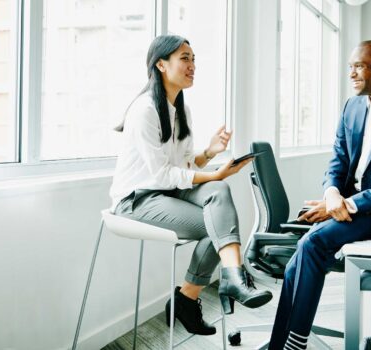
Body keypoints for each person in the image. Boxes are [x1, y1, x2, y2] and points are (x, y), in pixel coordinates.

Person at [109, 35, 273, 336]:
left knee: (219, 195)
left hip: (165, 192)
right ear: (161, 64)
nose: (192, 65)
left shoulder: (181, 110)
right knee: (220, 222)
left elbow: (181, 167)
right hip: (136, 201)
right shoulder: (144, 109)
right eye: (185, 58)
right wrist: (214, 174)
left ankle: (220, 282)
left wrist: (209, 154)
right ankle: (214, 286)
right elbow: (160, 175)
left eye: (194, 59)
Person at [269, 39, 371, 349]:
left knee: (313, 243)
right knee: (303, 252)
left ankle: (291, 342)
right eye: (350, 67)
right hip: (349, 204)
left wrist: (343, 204)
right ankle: (285, 342)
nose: (351, 74)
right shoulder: (352, 106)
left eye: (359, 66)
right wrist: (333, 193)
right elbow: (338, 157)